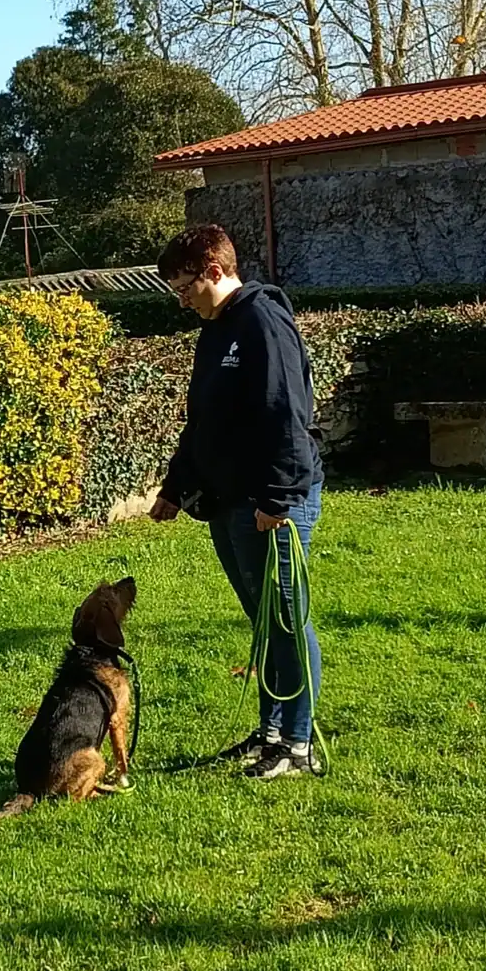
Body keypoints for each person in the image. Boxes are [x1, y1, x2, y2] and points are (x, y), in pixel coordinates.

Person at [149, 224, 324, 779]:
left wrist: (278, 497)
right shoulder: (216, 329)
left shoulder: (263, 322)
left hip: (270, 501)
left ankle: (298, 744)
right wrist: (175, 489)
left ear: (215, 271)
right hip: (227, 501)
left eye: (185, 288)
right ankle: (269, 733)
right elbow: (202, 421)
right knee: (263, 622)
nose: (182, 301)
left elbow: (286, 414)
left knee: (286, 621)